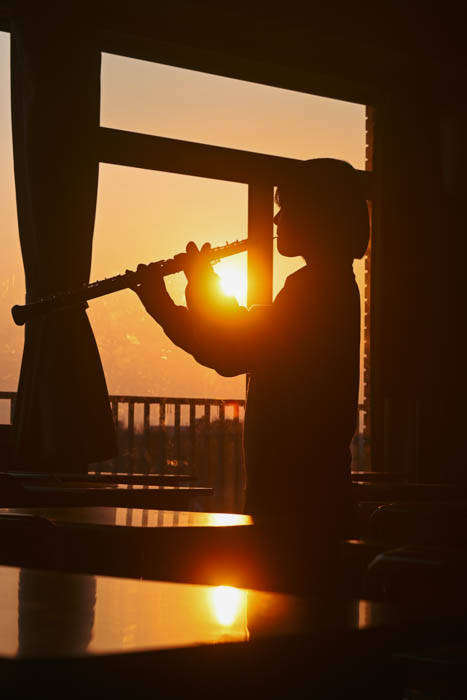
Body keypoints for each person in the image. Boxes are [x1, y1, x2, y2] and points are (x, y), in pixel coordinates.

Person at [132, 158, 369, 581]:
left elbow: (232, 349)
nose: (277, 217)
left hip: (295, 509)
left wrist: (165, 306)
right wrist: (202, 289)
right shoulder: (328, 286)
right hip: (308, 500)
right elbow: (246, 333)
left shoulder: (313, 292)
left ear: (319, 215)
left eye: (288, 206)